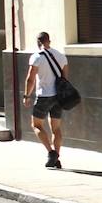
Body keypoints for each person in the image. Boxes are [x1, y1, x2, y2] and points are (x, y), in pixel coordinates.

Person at [24, 31, 70, 169]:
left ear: (38, 42)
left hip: (44, 96)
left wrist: (26, 96)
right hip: (58, 96)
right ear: (49, 40)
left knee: (36, 124)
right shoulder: (61, 56)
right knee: (56, 128)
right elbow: (65, 78)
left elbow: (30, 79)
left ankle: (51, 153)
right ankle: (57, 158)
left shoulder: (36, 57)